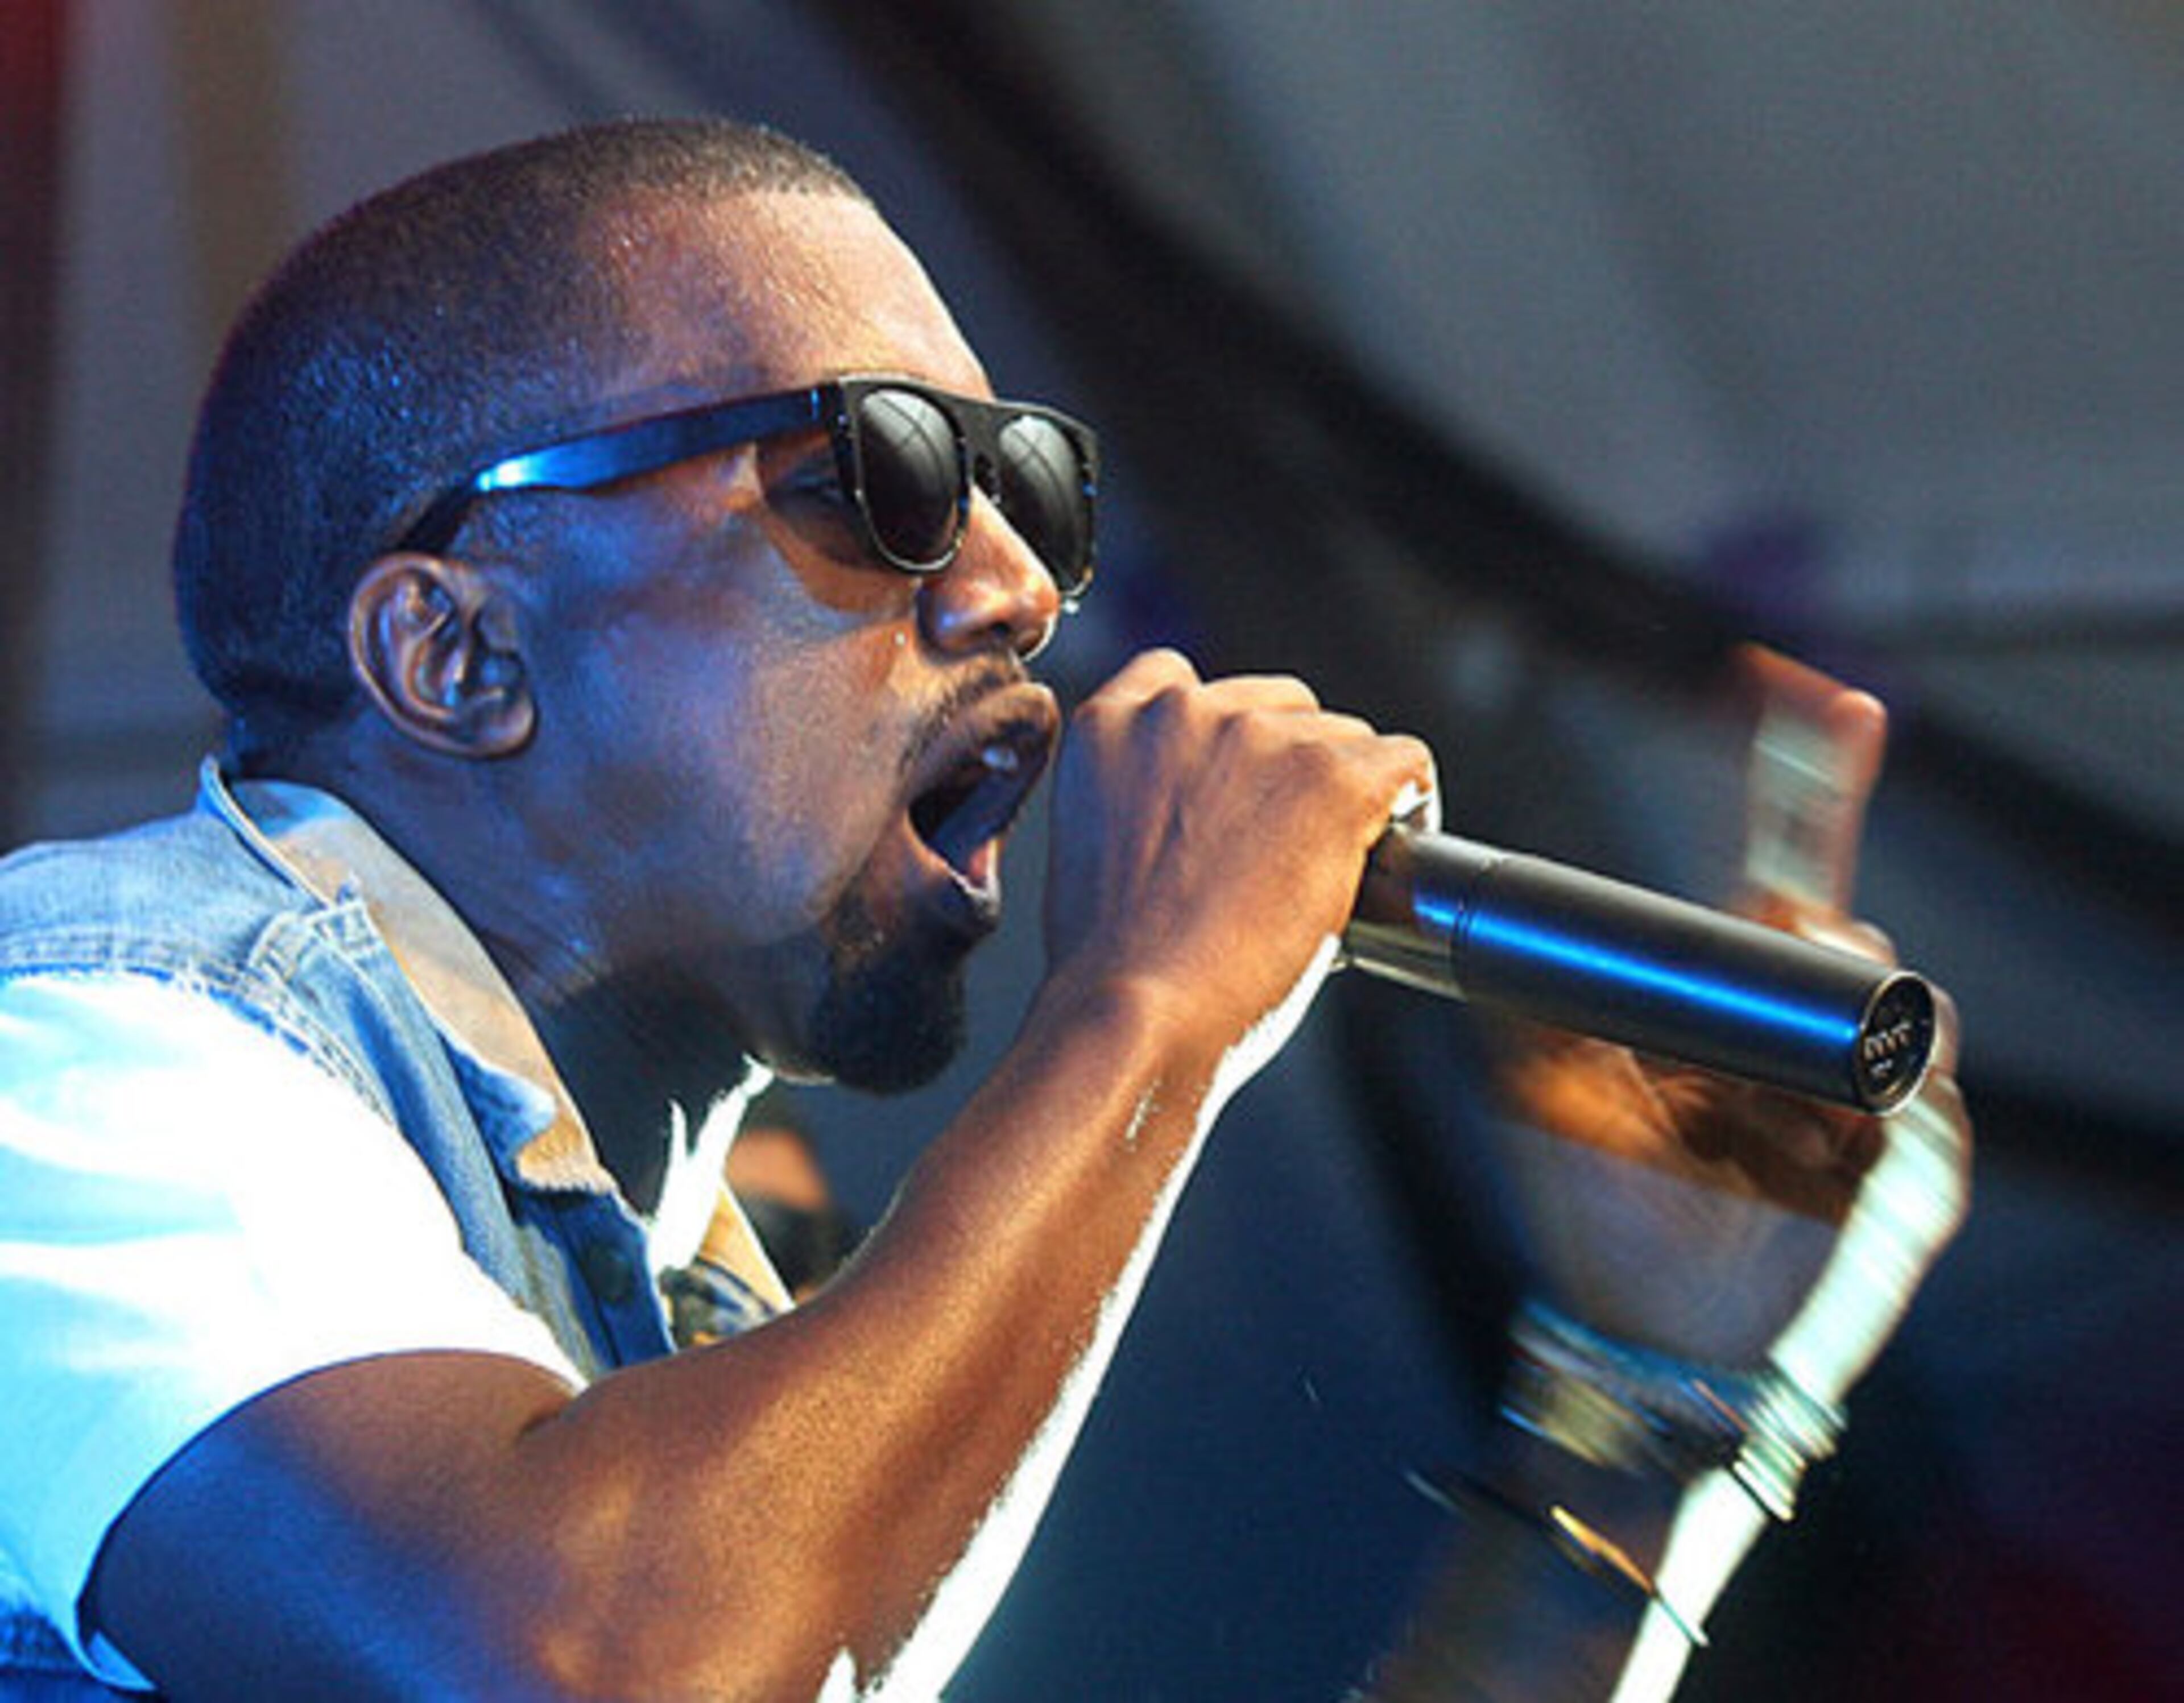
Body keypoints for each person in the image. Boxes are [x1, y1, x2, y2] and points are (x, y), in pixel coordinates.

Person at [0, 117, 1968, 1700]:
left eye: (1030, 484)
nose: (1020, 585)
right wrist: (1157, 1010)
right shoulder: (83, 1056)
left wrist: (1648, 1410)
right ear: (454, 655)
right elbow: (608, 1677)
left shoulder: (701, 1380)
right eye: (880, 476)